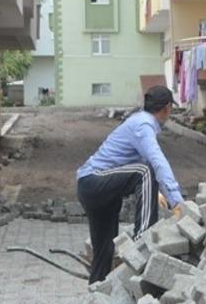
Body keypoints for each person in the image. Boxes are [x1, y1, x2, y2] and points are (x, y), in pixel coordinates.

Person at [75, 85, 184, 284]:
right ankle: (142, 241)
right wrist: (176, 201)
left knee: (104, 252)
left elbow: (142, 164)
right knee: (144, 171)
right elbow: (157, 162)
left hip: (91, 188)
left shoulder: (138, 122)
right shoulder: (144, 125)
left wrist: (159, 194)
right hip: (95, 181)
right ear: (167, 108)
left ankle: (97, 298)